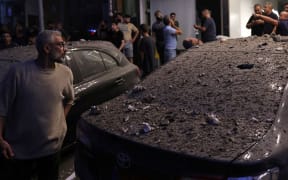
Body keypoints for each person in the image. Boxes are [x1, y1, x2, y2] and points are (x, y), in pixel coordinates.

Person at [0, 30, 74, 180]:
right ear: (47, 48)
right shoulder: (18, 73)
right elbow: (2, 108)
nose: (64, 48)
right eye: (60, 44)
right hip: (20, 151)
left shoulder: (65, 72)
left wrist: (61, 124)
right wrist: (0, 140)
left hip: (51, 148)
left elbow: (70, 100)